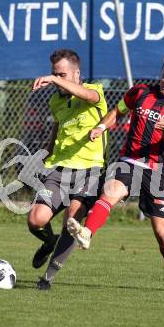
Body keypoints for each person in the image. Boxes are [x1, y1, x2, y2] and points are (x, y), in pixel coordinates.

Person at [67, 53, 164, 292]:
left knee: (161, 231)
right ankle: (87, 233)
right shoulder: (141, 92)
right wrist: (102, 126)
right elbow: (118, 110)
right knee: (110, 193)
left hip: (157, 171)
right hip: (130, 161)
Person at [27, 48, 108, 290]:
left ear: (76, 73)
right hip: (59, 169)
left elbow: (88, 96)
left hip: (89, 171)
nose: (57, 79)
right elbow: (58, 128)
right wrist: (44, 154)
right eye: (54, 74)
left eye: (62, 75)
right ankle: (48, 241)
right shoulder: (56, 101)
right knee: (35, 220)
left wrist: (53, 79)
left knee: (72, 223)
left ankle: (48, 278)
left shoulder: (94, 92)